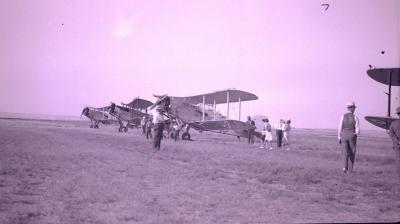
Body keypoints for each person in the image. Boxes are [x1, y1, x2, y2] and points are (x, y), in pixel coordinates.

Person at [338, 102, 360, 173]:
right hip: (351, 134)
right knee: (352, 152)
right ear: (352, 108)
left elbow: (340, 127)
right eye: (354, 108)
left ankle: (344, 167)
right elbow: (357, 129)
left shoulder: (342, 116)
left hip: (343, 134)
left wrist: (339, 136)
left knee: (344, 152)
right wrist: (356, 134)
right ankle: (350, 170)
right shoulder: (355, 117)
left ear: (347, 108)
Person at [388, 106, 400, 181]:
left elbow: (391, 134)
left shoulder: (393, 123)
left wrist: (397, 141)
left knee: (398, 160)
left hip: (397, 145)